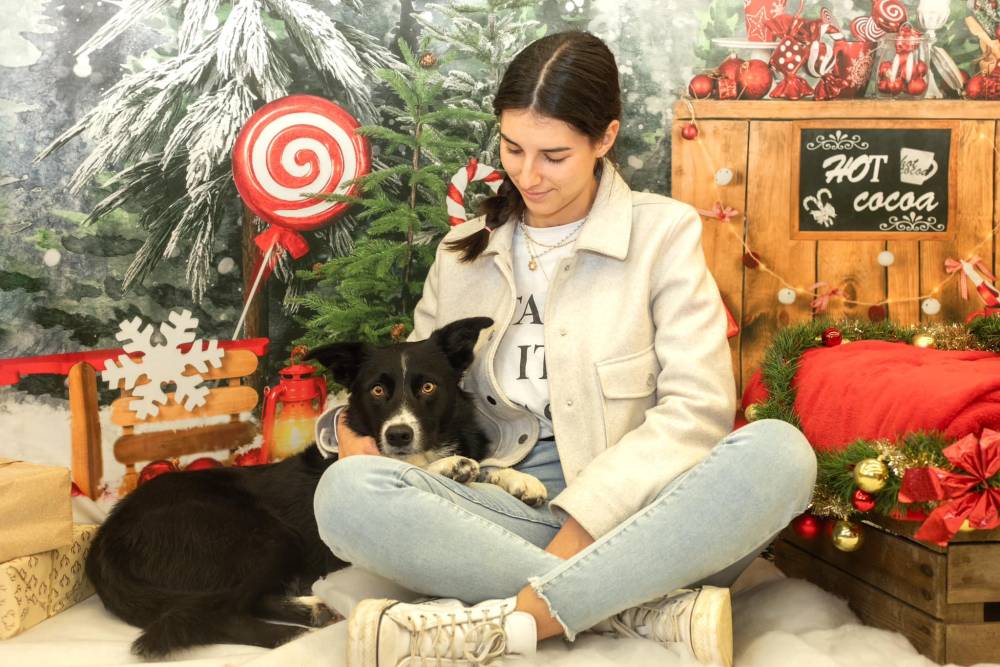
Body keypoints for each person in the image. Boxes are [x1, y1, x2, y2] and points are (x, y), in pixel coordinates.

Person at [312, 30, 816, 667]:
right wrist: (348, 436)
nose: (527, 175)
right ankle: (638, 609)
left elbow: (698, 410)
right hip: (492, 512)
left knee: (781, 453)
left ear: (604, 139)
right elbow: (412, 383)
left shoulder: (663, 235)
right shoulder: (461, 252)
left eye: (553, 155)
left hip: (646, 520)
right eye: (512, 148)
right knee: (345, 497)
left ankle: (512, 620)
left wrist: (584, 527)